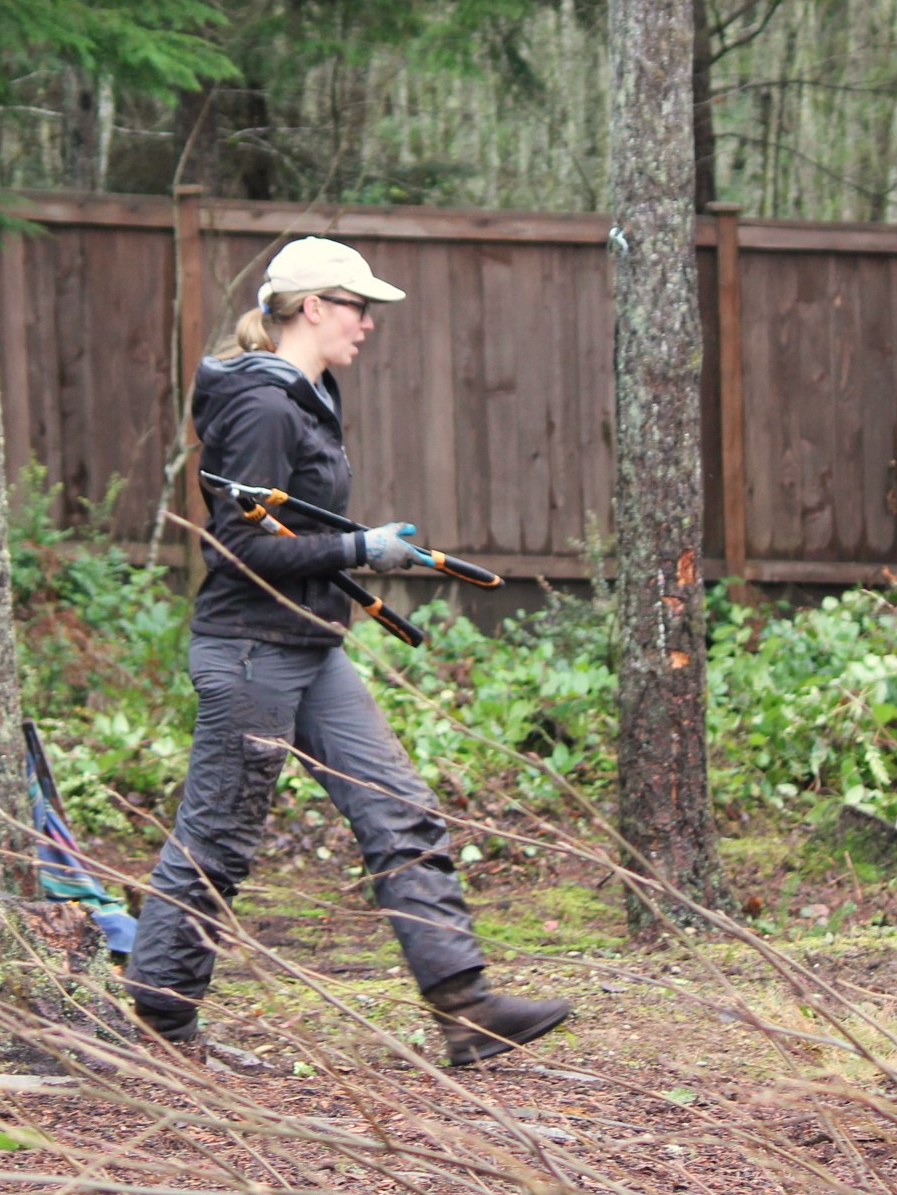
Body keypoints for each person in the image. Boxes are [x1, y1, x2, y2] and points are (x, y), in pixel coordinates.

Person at [122, 236, 575, 1067]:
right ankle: (160, 1025)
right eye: (360, 306)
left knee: (398, 809)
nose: (370, 323)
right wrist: (359, 549)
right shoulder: (261, 405)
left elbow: (294, 528)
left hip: (309, 644)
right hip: (251, 651)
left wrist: (350, 554)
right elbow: (240, 549)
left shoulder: (307, 392)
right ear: (316, 307)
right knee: (218, 839)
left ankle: (465, 1008)